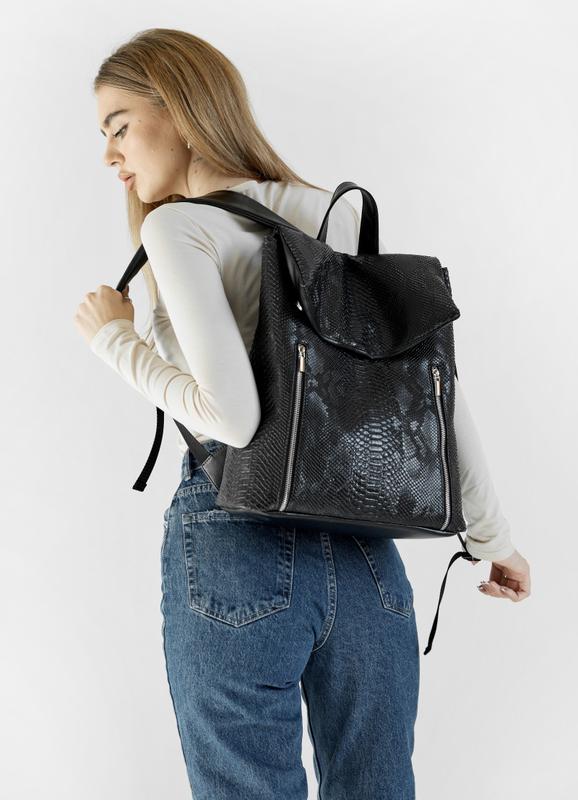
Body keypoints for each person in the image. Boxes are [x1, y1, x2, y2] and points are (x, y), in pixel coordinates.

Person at [73, 27, 531, 800]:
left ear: (180, 107)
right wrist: (492, 538)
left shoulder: (176, 226)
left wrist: (115, 339)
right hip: (362, 548)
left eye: (119, 126)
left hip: (236, 535)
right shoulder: (334, 214)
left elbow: (232, 420)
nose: (110, 155)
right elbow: (427, 391)